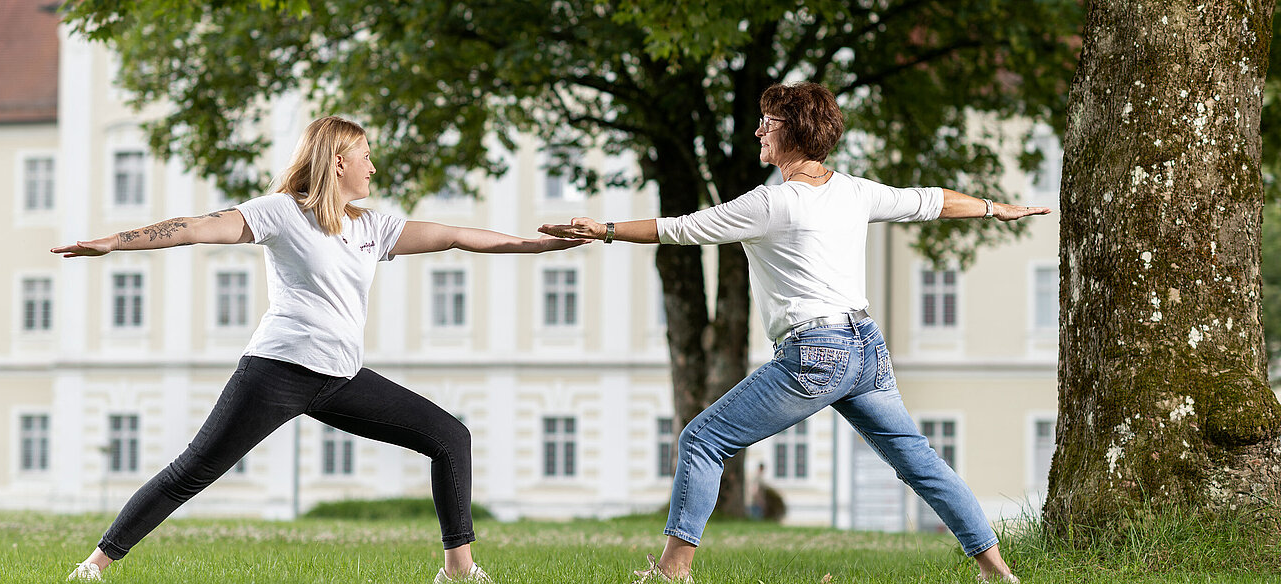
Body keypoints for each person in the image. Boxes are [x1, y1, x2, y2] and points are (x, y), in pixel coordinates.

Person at [539, 82, 1047, 583]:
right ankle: (998, 573)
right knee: (920, 462)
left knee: (702, 437)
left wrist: (603, 230)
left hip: (816, 354)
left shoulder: (770, 204)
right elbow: (930, 201)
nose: (759, 130)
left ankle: (673, 572)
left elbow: (682, 228)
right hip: (867, 349)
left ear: (795, 131)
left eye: (769, 122)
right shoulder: (855, 191)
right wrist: (994, 207)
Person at [54, 115, 586, 583]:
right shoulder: (281, 213)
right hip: (276, 371)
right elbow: (196, 228)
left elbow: (454, 235)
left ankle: (460, 570)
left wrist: (535, 244)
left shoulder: (371, 227)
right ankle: (94, 566)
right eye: (366, 156)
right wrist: (113, 242)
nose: (372, 167)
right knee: (193, 470)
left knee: (450, 437)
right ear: (338, 161)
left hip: (341, 377)